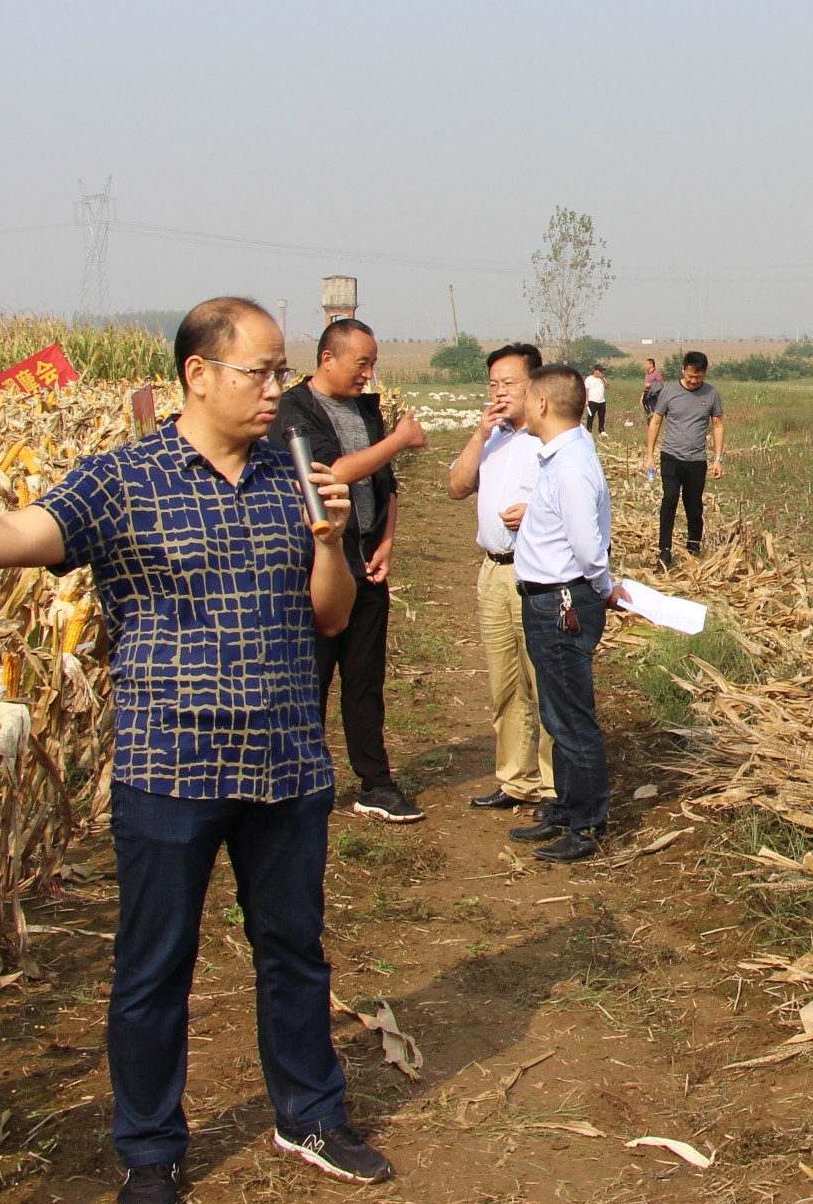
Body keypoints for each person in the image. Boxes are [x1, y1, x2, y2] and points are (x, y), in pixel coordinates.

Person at [0, 298, 390, 1204]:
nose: (276, 390)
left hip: (284, 759)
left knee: (294, 951)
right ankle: (150, 1150)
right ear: (199, 375)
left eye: (281, 372)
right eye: (261, 372)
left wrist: (328, 541)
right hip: (170, 763)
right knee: (154, 967)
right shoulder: (124, 479)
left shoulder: (296, 476)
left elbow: (330, 613)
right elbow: (19, 535)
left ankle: (311, 1115)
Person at [270, 321, 428, 823]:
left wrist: (386, 541)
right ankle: (300, 782)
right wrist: (400, 439)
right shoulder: (293, 411)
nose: (368, 374)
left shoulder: (366, 409)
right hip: (313, 572)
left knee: (365, 680)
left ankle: (375, 784)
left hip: (366, 568)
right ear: (328, 359)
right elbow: (330, 474)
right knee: (308, 681)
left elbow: (385, 483)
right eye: (362, 363)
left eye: (372, 363)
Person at [506, 364, 630, 862]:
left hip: (562, 603)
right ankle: (566, 805)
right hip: (550, 599)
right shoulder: (563, 457)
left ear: (541, 404)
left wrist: (604, 589)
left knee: (572, 717)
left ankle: (588, 823)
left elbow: (587, 547)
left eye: (525, 397)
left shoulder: (572, 465)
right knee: (556, 713)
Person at [446, 342, 555, 814]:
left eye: (509, 383)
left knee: (545, 681)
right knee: (505, 683)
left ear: (535, 385)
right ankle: (516, 780)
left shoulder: (552, 440)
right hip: (493, 572)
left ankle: (554, 787)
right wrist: (478, 434)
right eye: (493, 384)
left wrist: (535, 511)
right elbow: (456, 487)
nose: (499, 392)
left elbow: (581, 503)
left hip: (535, 574)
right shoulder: (492, 439)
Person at [644, 350, 726, 566]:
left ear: (704, 373)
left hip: (696, 460)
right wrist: (649, 456)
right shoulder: (668, 392)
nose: (693, 380)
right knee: (669, 499)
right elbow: (655, 422)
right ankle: (665, 549)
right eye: (690, 376)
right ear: (683, 370)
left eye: (698, 377)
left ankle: (694, 547)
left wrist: (718, 458)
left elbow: (718, 426)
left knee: (694, 505)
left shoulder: (711, 394)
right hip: (671, 457)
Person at [584, 363, 608, 435]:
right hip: (592, 401)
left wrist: (603, 379)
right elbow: (586, 390)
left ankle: (601, 430)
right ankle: (589, 430)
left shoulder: (601, 379)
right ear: (595, 371)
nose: (601, 372)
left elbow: (608, 386)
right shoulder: (589, 379)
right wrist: (586, 400)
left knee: (602, 417)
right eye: (599, 371)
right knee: (591, 416)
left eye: (602, 371)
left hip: (602, 401)